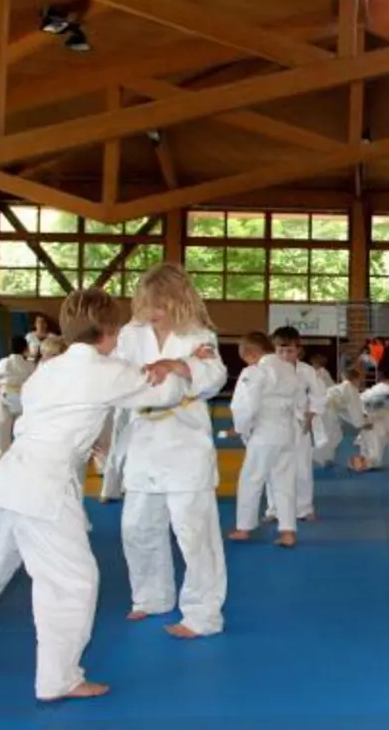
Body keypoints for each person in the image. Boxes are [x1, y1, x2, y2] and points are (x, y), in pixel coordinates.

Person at [0, 287, 204, 701]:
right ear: (110, 332)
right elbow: (158, 392)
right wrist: (184, 365)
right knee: (73, 581)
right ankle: (60, 679)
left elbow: (49, 416)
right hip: (44, 487)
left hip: (9, 479)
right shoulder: (105, 370)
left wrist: (81, 440)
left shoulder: (50, 368)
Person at [113, 264, 230, 639]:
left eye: (160, 304)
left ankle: (202, 614)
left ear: (179, 301)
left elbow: (214, 377)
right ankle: (151, 596)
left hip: (184, 441)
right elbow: (113, 375)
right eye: (146, 303)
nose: (152, 311)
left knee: (194, 532)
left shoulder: (199, 335)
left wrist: (179, 364)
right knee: (137, 526)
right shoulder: (130, 335)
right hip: (143, 437)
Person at [229, 333, 304, 548]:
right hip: (287, 433)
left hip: (264, 433)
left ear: (251, 354)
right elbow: (300, 401)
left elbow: (246, 405)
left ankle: (244, 527)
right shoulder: (290, 369)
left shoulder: (255, 371)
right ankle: (288, 531)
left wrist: (239, 427)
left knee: (251, 479)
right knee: (284, 482)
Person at [264, 327, 321, 526]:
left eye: (290, 350)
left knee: (302, 466)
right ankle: (274, 508)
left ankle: (304, 508)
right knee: (273, 467)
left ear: (299, 349)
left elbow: (317, 396)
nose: (285, 355)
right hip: (273, 422)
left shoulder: (306, 371)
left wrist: (310, 416)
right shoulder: (267, 368)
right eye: (280, 350)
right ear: (274, 349)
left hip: (299, 423)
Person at [351, 370, 389, 472]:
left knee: (372, 450)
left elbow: (358, 403)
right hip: (388, 421)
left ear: (378, 379)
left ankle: (364, 459)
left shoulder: (369, 392)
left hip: (371, 422)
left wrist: (363, 416)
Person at [0, 336, 36, 459]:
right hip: (21, 398)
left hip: (5, 395)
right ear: (25, 348)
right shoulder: (30, 365)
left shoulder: (3, 362)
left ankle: (2, 456)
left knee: (3, 427)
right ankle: (21, 455)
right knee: (21, 429)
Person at [319, 366, 366, 466]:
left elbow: (343, 410)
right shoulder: (351, 388)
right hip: (327, 411)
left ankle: (327, 458)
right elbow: (354, 408)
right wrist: (361, 423)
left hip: (324, 409)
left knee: (334, 434)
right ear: (356, 379)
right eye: (359, 380)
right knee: (332, 434)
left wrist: (358, 422)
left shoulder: (340, 387)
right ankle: (322, 458)